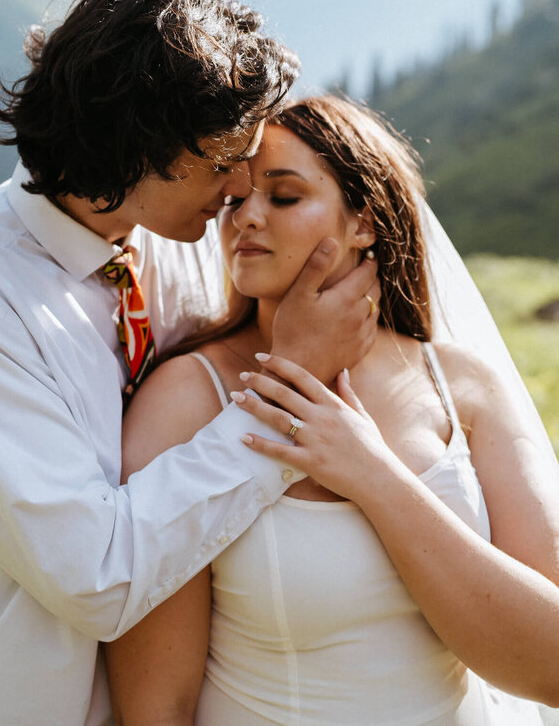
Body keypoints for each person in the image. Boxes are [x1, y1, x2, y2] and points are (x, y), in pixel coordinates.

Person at [0, 0, 381, 726]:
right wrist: (289, 392)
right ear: (135, 143)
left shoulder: (178, 237)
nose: (240, 183)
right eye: (220, 158)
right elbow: (96, 575)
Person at [106, 94, 559, 725]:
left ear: (364, 222)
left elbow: (552, 665)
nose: (246, 219)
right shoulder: (187, 399)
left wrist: (372, 474)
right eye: (235, 199)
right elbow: (157, 706)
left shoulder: (463, 386)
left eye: (283, 197)